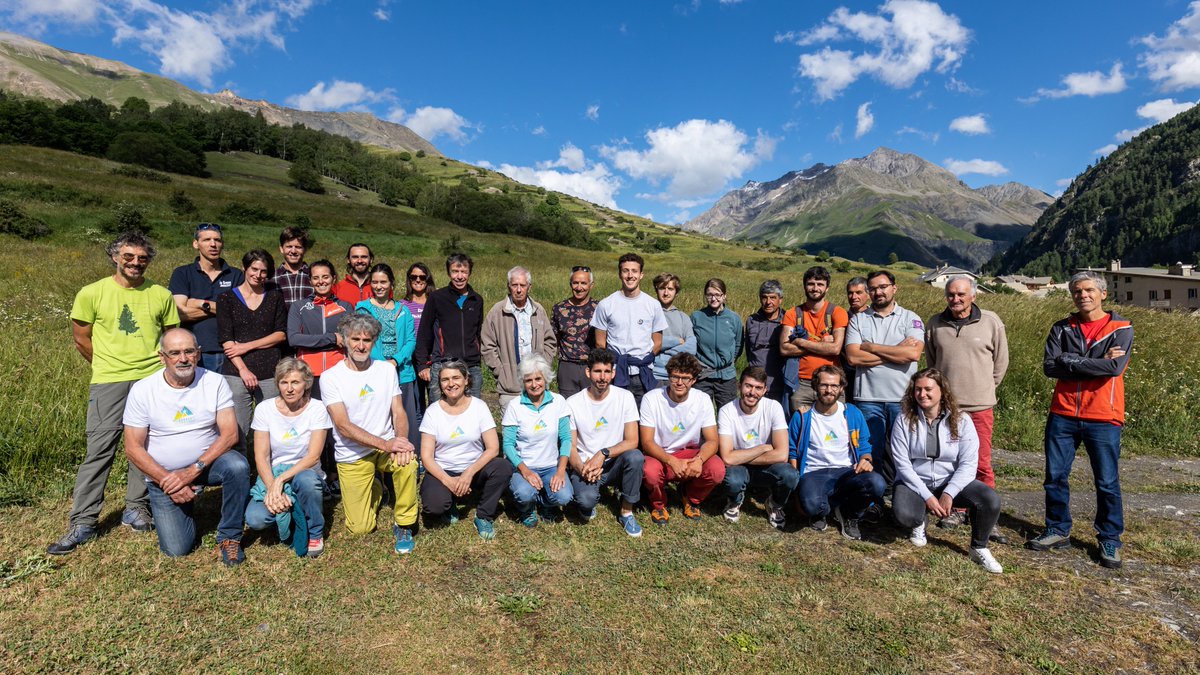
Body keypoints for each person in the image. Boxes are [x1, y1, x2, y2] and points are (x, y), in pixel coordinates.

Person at [49, 231, 180, 555]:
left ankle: (136, 508)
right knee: (100, 449)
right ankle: (83, 521)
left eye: (142, 258)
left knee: (145, 445)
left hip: (151, 380)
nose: (136, 263)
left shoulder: (161, 295)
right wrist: (108, 365)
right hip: (109, 380)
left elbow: (171, 336)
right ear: (115, 257)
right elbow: (81, 337)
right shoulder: (92, 293)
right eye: (129, 257)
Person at [1027, 271, 1133, 570]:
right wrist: (1093, 362)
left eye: (1088, 290)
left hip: (1103, 415)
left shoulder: (1121, 326)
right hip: (1062, 414)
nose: (1082, 295)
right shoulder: (1061, 327)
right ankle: (1057, 529)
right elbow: (1050, 367)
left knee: (1107, 481)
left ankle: (1110, 537)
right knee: (1055, 477)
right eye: (1076, 291)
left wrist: (1070, 359)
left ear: (1102, 294)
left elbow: (1114, 368)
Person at [121, 328, 248, 565]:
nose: (183, 358)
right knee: (177, 549)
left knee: (237, 466)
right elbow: (133, 448)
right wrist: (169, 481)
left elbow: (230, 434)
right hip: (163, 476)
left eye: (189, 351)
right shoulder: (143, 390)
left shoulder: (214, 382)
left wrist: (192, 471)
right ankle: (183, 499)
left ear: (198, 354)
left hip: (207, 465)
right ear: (162, 357)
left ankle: (230, 536)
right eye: (175, 353)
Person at [319, 314, 419, 554]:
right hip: (352, 453)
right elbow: (343, 426)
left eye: (367, 339)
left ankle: (404, 522)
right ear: (344, 340)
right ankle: (377, 488)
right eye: (355, 339)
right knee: (360, 528)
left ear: (374, 342)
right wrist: (387, 444)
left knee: (408, 462)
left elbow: (398, 411)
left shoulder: (386, 370)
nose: (361, 345)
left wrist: (402, 441)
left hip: (387, 445)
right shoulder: (330, 377)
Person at [891, 369, 1004, 574]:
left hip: (948, 480)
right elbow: (902, 464)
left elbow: (969, 463)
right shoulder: (904, 419)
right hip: (916, 482)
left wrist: (949, 492)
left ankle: (979, 548)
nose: (922, 394)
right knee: (905, 515)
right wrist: (928, 497)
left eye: (928, 389)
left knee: (989, 499)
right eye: (918, 389)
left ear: (942, 391)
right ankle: (919, 521)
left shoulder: (962, 420)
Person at [924, 275, 1009, 539]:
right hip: (948, 407)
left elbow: (1000, 363)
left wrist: (984, 389)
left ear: (973, 295)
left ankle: (985, 514)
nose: (955, 299)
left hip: (980, 406)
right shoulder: (935, 324)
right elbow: (932, 362)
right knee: (952, 460)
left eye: (961, 294)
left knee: (981, 462)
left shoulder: (991, 321)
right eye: (951, 295)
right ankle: (958, 509)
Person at [843, 270, 924, 489]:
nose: (878, 292)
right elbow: (853, 356)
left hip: (902, 398)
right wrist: (896, 351)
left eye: (883, 287)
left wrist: (872, 347)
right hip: (867, 399)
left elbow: (913, 354)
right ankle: (873, 499)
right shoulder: (859, 320)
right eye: (873, 288)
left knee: (903, 453)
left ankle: (901, 497)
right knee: (871, 452)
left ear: (894, 288)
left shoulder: (911, 318)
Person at [244, 358, 330, 558]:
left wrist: (280, 481)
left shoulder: (317, 408)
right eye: (284, 382)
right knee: (255, 519)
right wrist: (273, 485)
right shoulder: (264, 409)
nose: (289, 388)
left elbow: (313, 456)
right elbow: (261, 456)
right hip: (273, 473)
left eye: (295, 382)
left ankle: (315, 531)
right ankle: (291, 509)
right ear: (278, 384)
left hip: (304, 472)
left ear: (306, 384)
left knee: (306, 481)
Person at [788, 365, 885, 541]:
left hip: (847, 470)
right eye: (824, 385)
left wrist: (865, 460)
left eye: (834, 386)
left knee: (877, 483)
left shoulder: (852, 413)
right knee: (810, 506)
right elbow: (793, 451)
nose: (829, 390)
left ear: (841, 388)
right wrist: (797, 484)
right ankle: (822, 510)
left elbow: (864, 446)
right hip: (813, 473)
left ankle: (849, 513)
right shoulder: (802, 416)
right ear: (815, 386)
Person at [419, 360, 513, 540]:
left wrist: (468, 473)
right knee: (434, 506)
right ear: (440, 383)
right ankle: (450, 501)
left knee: (503, 467)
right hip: (444, 469)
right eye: (445, 379)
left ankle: (484, 515)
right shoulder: (432, 412)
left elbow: (493, 448)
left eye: (456, 377)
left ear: (466, 380)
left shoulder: (479, 406)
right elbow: (426, 456)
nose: (451, 383)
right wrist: (448, 480)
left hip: (474, 469)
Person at [639, 353, 725, 525]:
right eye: (675, 377)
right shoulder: (652, 398)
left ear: (693, 380)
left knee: (717, 470)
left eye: (685, 378)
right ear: (668, 376)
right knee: (650, 472)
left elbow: (712, 440)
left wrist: (699, 460)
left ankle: (691, 497)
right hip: (660, 454)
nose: (679, 382)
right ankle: (659, 503)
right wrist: (671, 460)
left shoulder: (703, 399)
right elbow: (647, 442)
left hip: (690, 453)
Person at [216, 249, 287, 455]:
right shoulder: (226, 299)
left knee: (272, 428)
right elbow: (227, 341)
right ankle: (240, 474)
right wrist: (243, 369)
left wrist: (246, 345)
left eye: (263, 271)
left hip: (270, 372)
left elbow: (280, 335)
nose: (258, 275)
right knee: (237, 429)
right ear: (244, 268)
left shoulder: (274, 297)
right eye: (254, 269)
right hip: (236, 372)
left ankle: (268, 474)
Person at [566, 349, 644, 537]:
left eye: (607, 372)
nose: (602, 377)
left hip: (614, 461)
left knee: (635, 457)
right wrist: (581, 468)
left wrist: (603, 453)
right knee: (585, 503)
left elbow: (633, 440)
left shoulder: (624, 397)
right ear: (588, 373)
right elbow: (570, 445)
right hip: (586, 465)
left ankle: (626, 511)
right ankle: (591, 497)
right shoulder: (572, 402)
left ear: (613, 373)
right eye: (597, 371)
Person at [718, 367, 794, 529]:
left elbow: (782, 455)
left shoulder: (773, 407)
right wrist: (762, 448)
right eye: (748, 386)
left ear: (765, 390)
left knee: (790, 475)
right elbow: (727, 458)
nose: (752, 392)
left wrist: (740, 455)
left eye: (758, 388)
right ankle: (735, 501)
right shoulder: (727, 411)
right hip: (739, 467)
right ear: (739, 386)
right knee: (733, 479)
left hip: (763, 465)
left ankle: (774, 503)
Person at [503, 356, 573, 526]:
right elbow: (508, 445)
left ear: (546, 379)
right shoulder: (514, 406)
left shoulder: (558, 401)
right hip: (523, 466)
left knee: (564, 496)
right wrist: (525, 471)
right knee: (524, 493)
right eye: (528, 380)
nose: (534, 384)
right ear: (523, 382)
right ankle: (526, 508)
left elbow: (566, 439)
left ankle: (545, 503)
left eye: (538, 379)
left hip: (550, 466)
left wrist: (561, 470)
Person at [355, 263, 419, 449]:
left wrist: (395, 360)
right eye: (374, 282)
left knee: (405, 416)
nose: (379, 286)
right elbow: (362, 341)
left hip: (402, 371)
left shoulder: (403, 310)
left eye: (383, 281)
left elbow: (411, 341)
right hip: (374, 370)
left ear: (391, 283)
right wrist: (382, 364)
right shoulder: (362, 309)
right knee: (379, 417)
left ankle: (409, 458)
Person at [591, 252, 667, 405]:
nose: (630, 275)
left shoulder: (653, 305)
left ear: (641, 275)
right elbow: (600, 343)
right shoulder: (606, 304)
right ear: (620, 274)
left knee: (644, 421)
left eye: (634, 271)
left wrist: (644, 359)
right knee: (616, 420)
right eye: (625, 270)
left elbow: (657, 342)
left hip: (644, 373)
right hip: (616, 373)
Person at [169, 223, 244, 373]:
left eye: (217, 240)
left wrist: (200, 303)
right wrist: (224, 309)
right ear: (196, 244)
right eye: (207, 240)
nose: (213, 244)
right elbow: (180, 313)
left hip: (230, 351)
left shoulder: (235, 275)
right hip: (193, 352)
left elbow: (241, 312)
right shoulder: (182, 273)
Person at [481, 266, 557, 409]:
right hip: (510, 386)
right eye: (514, 285)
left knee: (536, 428)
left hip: (537, 383)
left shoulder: (538, 310)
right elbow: (487, 345)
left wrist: (543, 365)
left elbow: (550, 341)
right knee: (511, 429)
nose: (519, 289)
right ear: (508, 286)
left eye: (522, 285)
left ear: (529, 287)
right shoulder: (497, 312)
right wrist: (500, 371)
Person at [414, 252, 486, 402]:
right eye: (455, 271)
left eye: (464, 272)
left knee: (472, 413)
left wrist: (477, 360)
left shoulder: (477, 300)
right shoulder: (437, 298)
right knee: (439, 413)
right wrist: (422, 365)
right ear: (449, 272)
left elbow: (478, 333)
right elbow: (424, 333)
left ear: (469, 273)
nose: (459, 276)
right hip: (442, 364)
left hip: (471, 366)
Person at [780, 266, 848, 414]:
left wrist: (799, 342)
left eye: (820, 284)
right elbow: (784, 348)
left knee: (833, 429)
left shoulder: (837, 312)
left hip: (831, 383)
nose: (815, 288)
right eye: (811, 284)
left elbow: (835, 348)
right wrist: (823, 344)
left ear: (827, 288)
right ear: (804, 286)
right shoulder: (793, 314)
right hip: (801, 384)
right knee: (800, 429)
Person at [287, 260, 352, 395]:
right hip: (307, 373)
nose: (321, 281)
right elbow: (294, 339)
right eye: (316, 278)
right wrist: (332, 338)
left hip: (338, 372)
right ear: (310, 281)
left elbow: (348, 340)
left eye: (325, 277)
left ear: (333, 278)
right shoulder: (299, 307)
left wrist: (310, 341)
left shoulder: (345, 307)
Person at [691, 278, 743, 409]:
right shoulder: (696, 317)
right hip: (702, 377)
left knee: (728, 417)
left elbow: (738, 345)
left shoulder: (734, 319)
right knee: (700, 416)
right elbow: (691, 345)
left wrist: (729, 361)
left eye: (717, 294)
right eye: (709, 295)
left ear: (724, 296)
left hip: (726, 378)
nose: (713, 298)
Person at [550, 266, 598, 399]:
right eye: (575, 283)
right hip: (567, 366)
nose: (579, 287)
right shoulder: (559, 308)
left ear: (591, 285)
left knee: (592, 405)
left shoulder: (599, 308)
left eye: (583, 283)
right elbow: (554, 337)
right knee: (567, 407)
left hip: (591, 365)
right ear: (570, 284)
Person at [400, 262, 435, 421]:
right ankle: (419, 440)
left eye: (422, 277)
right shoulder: (402, 305)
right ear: (409, 279)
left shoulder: (435, 302)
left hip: (433, 358)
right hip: (411, 361)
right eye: (414, 277)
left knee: (436, 401)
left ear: (428, 279)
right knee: (417, 402)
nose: (418, 280)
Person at [743, 280, 786, 405]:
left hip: (779, 383)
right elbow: (748, 350)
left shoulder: (788, 320)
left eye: (773, 298)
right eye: (764, 298)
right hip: (755, 383)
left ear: (780, 299)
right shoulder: (751, 320)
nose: (768, 302)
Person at [650, 272, 696, 386]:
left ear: (676, 292)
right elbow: (646, 344)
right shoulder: (649, 314)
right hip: (653, 374)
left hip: (678, 376)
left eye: (670, 289)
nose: (666, 293)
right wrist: (676, 341)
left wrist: (661, 348)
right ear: (656, 290)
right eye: (662, 288)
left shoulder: (683, 317)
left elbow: (691, 347)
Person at [842, 277, 870, 402]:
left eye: (858, 293)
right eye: (850, 293)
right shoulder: (840, 318)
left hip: (870, 374)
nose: (854, 297)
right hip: (846, 375)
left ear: (868, 295)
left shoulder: (876, 318)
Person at [273, 226, 314, 309]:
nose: (293, 251)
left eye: (298, 247)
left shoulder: (314, 276)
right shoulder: (272, 278)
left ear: (305, 249)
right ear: (281, 249)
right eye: (289, 246)